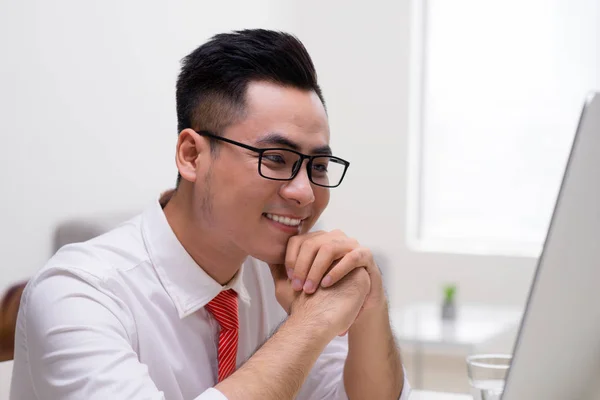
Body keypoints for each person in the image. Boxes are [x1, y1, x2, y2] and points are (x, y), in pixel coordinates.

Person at [10, 29, 411, 400]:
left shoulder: (283, 270)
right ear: (192, 155)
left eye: (318, 167)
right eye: (275, 159)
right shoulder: (78, 292)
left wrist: (369, 304)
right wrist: (310, 324)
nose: (305, 193)